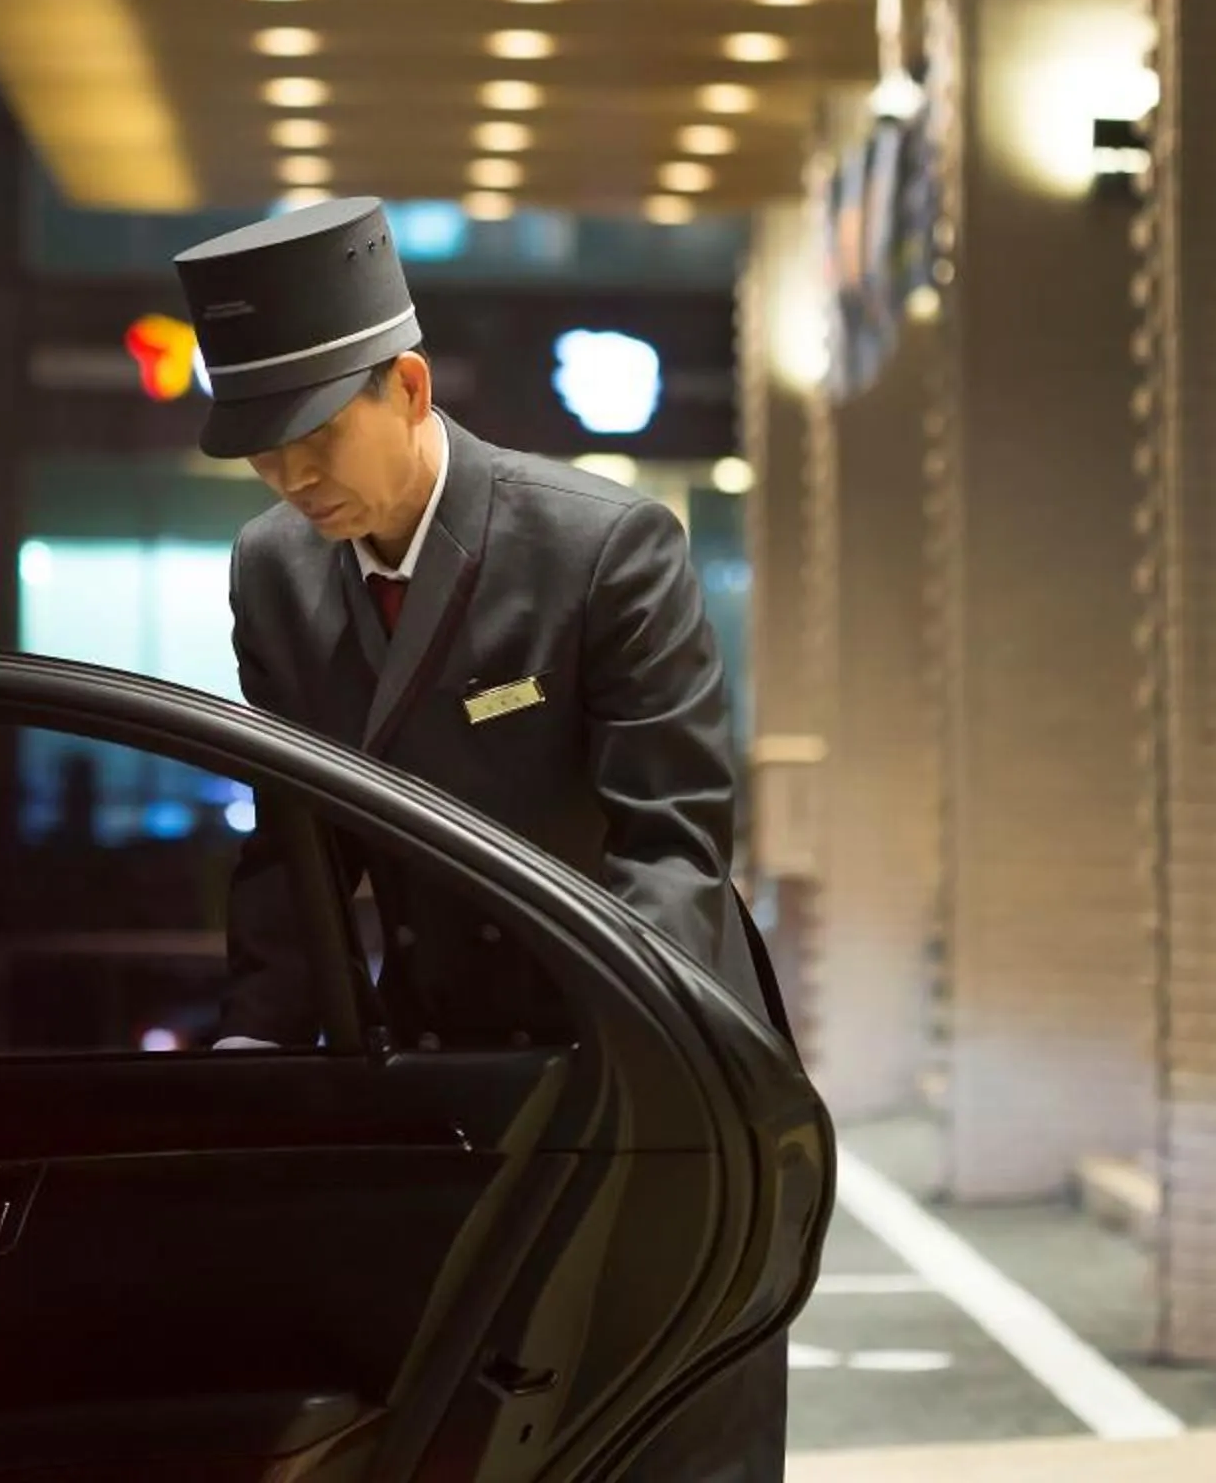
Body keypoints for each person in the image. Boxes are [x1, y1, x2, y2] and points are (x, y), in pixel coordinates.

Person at [172, 196, 798, 1478]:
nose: (291, 478)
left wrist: (639, 1052)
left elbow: (671, 843)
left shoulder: (602, 544)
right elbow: (294, 841)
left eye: (311, 434)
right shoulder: (273, 572)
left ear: (406, 385)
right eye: (259, 451)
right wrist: (252, 1050)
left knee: (663, 1425)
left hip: (652, 1045)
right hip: (453, 1059)